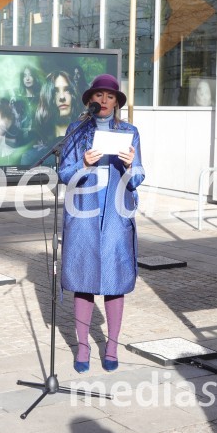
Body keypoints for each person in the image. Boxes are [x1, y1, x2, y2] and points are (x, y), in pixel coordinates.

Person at [58, 73, 144, 373]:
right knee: (82, 280)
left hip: (117, 212)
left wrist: (131, 164)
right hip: (83, 210)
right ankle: (82, 347)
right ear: (90, 100)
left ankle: (112, 346)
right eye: (99, 95)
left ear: (117, 102)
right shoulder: (76, 130)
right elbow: (64, 174)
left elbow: (139, 176)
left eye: (110, 96)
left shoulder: (129, 131)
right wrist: (83, 164)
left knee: (114, 280)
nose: (104, 100)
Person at [22, 70, 84, 165]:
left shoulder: (86, 147)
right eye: (55, 92)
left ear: (73, 95)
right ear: (47, 97)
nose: (62, 97)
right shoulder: (32, 157)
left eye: (67, 90)